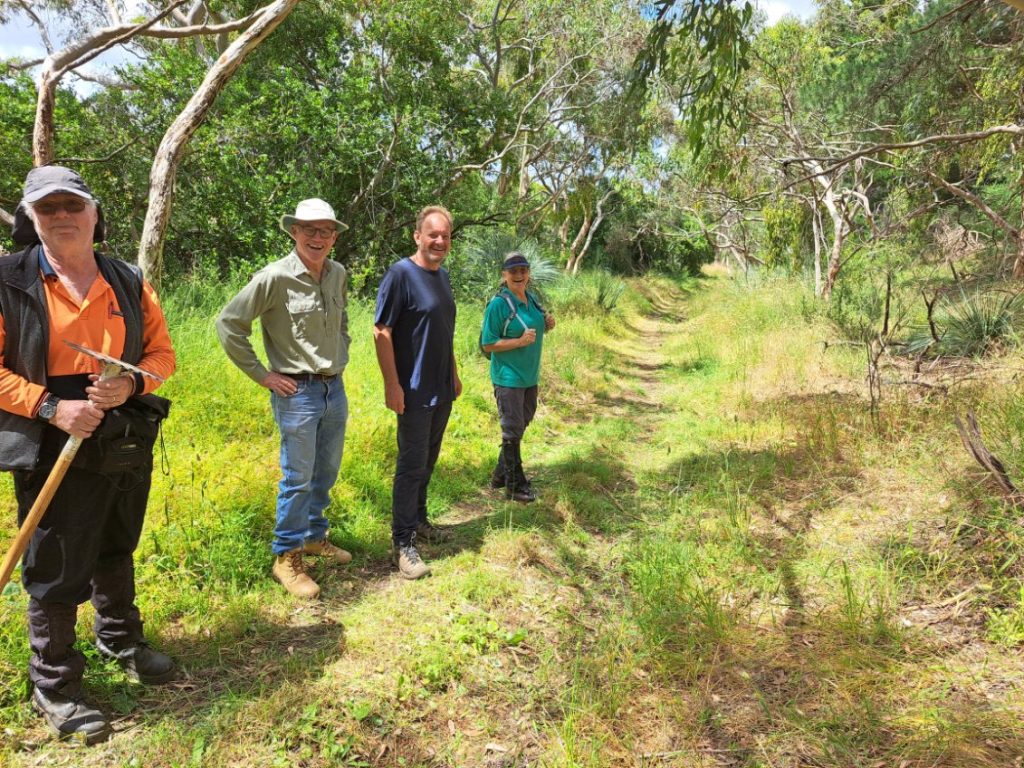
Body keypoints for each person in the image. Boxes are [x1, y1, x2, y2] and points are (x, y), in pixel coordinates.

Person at [0, 166, 177, 744]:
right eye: (47, 208)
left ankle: (120, 638)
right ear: (31, 219)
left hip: (121, 433)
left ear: (95, 214)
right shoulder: (9, 282)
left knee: (114, 540)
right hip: (51, 435)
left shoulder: (128, 280)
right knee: (55, 561)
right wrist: (51, 406)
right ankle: (54, 683)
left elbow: (161, 356)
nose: (62, 216)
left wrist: (130, 386)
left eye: (72, 205)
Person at [217, 198, 352, 600]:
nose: (318, 237)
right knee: (298, 477)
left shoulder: (338, 273)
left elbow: (341, 320)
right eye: (309, 229)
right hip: (297, 392)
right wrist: (263, 375)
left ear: (334, 237)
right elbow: (229, 323)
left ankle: (314, 537)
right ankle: (286, 557)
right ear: (293, 231)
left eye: (325, 230)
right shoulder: (274, 277)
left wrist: (341, 347)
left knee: (326, 471)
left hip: (334, 387)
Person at [373, 205, 461, 580]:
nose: (439, 241)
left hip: (440, 387)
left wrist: (453, 374)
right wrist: (392, 385)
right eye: (433, 234)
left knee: (428, 460)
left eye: (445, 236)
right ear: (418, 237)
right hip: (412, 390)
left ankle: (420, 520)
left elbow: (443, 330)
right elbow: (382, 332)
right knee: (410, 466)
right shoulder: (401, 275)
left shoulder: (441, 277)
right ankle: (403, 542)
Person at [480, 251, 555, 502]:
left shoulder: (531, 299)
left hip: (529, 376)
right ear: (504, 275)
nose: (519, 275)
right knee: (512, 429)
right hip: (508, 377)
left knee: (522, 422)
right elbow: (487, 343)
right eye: (513, 271)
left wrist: (549, 323)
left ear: (528, 274)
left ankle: (500, 475)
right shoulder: (499, 305)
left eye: (523, 270)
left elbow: (537, 324)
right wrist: (518, 341)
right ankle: (514, 484)